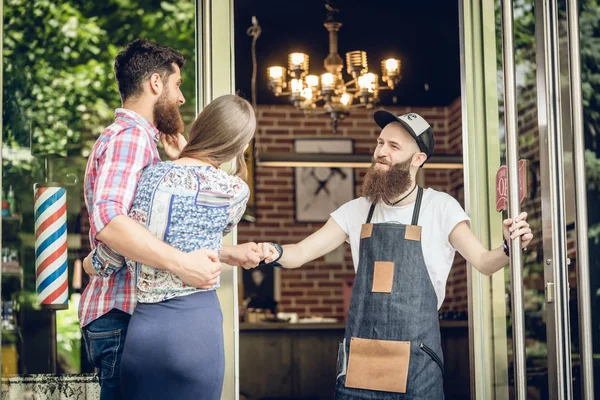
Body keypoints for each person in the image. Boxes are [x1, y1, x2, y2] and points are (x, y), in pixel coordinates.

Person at [259, 110, 533, 399]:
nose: (381, 152)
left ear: (418, 158)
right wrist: (273, 251)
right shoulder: (357, 210)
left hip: (418, 361)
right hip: (362, 362)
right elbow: (300, 252)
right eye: (380, 143)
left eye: (393, 146)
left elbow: (484, 263)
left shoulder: (441, 208)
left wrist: (507, 247)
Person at [80, 39, 260, 400]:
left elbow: (148, 228)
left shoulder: (144, 143)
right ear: (156, 84)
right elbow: (111, 221)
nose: (180, 98)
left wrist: (223, 253)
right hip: (121, 313)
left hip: (131, 316)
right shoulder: (131, 139)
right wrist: (182, 264)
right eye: (177, 85)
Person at [118, 94, 263, 399]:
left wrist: (94, 264)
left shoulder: (149, 175)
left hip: (144, 333)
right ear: (239, 145)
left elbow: (145, 234)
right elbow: (203, 232)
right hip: (195, 330)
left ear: (200, 127)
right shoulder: (235, 191)